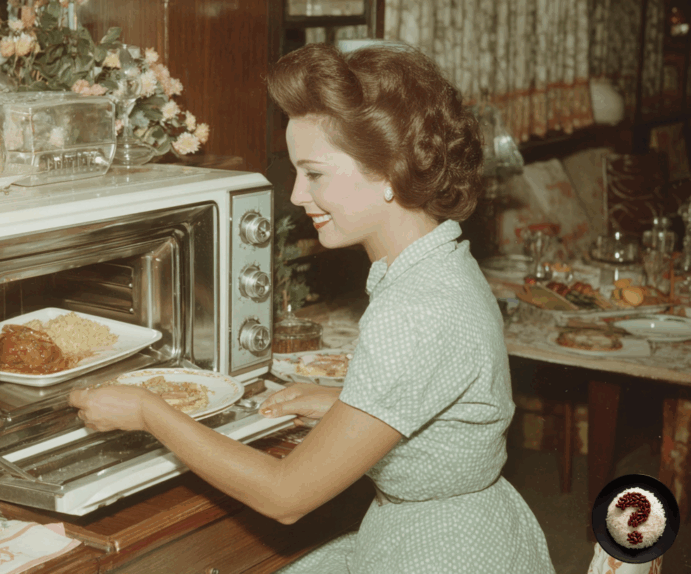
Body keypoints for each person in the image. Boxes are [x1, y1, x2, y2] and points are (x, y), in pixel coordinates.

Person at [69, 41, 555, 573]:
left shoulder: (415, 309)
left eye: (315, 173)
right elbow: (442, 394)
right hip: (466, 526)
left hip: (440, 551)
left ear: (390, 171)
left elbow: (286, 497)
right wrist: (344, 402)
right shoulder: (440, 263)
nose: (297, 195)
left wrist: (146, 410)